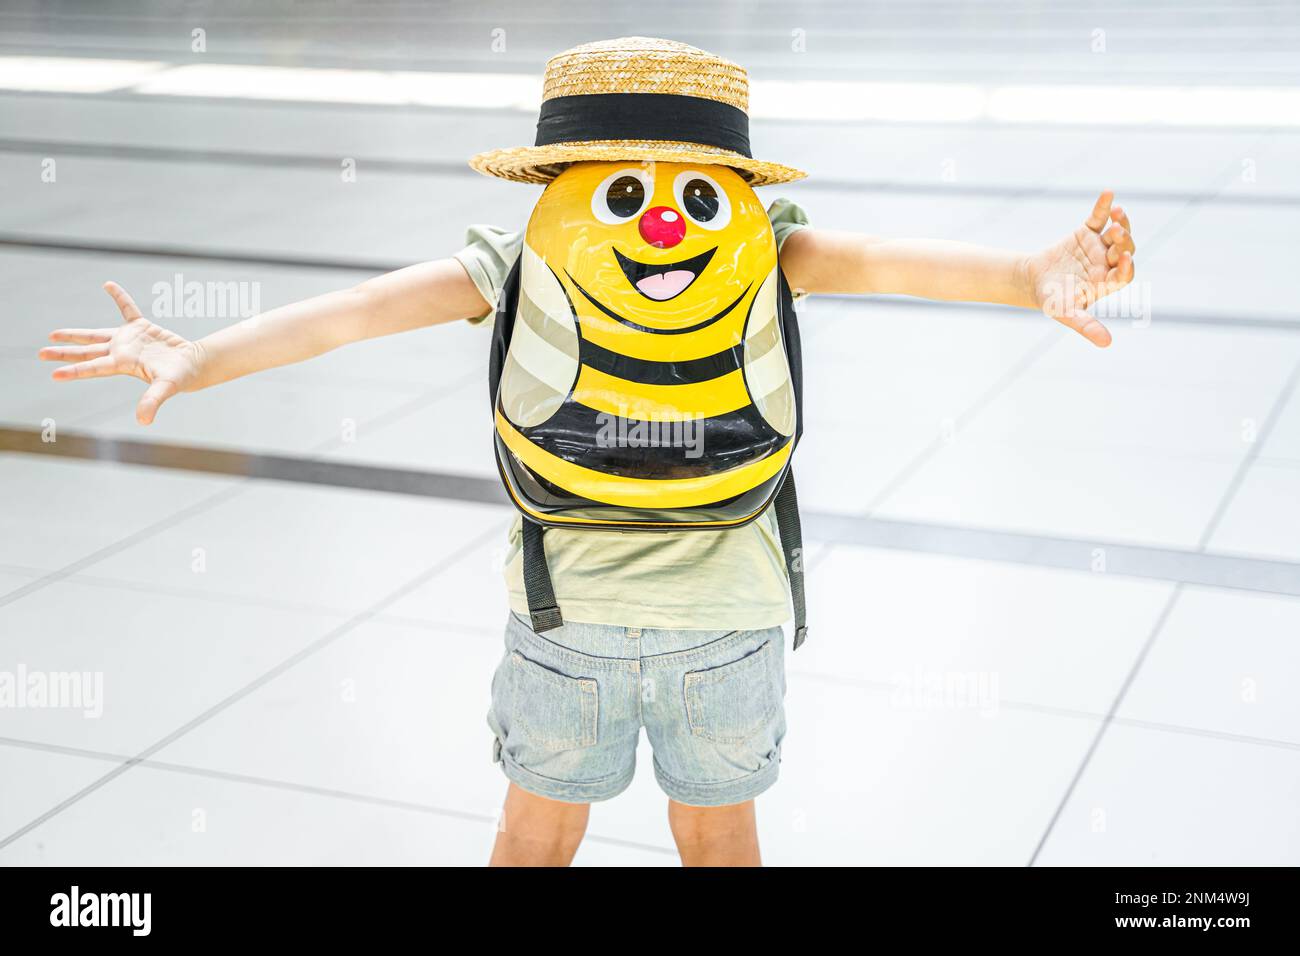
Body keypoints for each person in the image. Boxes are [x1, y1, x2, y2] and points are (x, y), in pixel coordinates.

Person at [38, 37, 1135, 868]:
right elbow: (900, 262)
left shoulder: (514, 256)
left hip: (563, 620)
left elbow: (355, 313)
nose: (662, 223)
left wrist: (201, 356)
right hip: (731, 618)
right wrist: (1031, 274)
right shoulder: (763, 242)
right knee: (719, 839)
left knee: (531, 836)